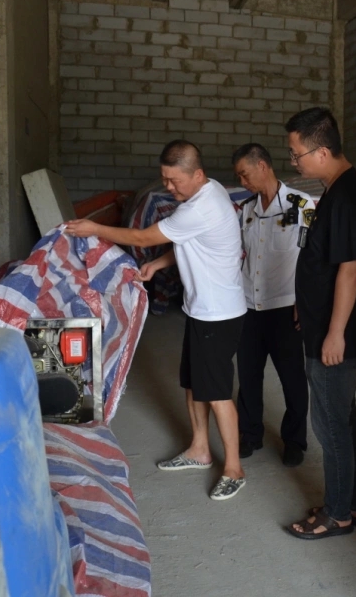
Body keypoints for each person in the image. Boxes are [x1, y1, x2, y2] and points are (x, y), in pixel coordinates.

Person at [65, 139, 249, 501]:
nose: (168, 187)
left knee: (217, 393)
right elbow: (191, 243)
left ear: (198, 174)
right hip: (201, 309)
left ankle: (234, 468)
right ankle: (199, 449)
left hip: (219, 314)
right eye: (164, 178)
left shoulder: (203, 205)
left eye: (174, 180)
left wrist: (95, 229)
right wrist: (158, 264)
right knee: (194, 383)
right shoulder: (205, 192)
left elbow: (142, 236)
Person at [284, 107, 356, 540]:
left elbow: (350, 270)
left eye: (297, 154)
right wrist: (306, 303)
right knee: (344, 416)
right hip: (324, 323)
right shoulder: (338, 189)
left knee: (331, 424)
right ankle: (355, 503)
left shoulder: (344, 197)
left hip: (334, 334)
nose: (294, 162)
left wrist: (335, 332)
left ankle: (338, 513)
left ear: (321, 152)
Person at [232, 143, 314, 467]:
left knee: (292, 378)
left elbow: (313, 256)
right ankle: (250, 434)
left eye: (245, 174)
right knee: (248, 375)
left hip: (285, 306)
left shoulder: (300, 204)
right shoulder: (247, 210)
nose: (242, 182)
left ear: (262, 166)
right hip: (249, 305)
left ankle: (294, 440)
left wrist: (305, 300)